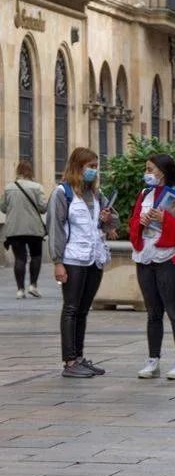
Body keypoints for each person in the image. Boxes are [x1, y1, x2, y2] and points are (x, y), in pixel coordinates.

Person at [46, 147, 116, 378]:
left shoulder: (96, 194)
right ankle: (69, 361)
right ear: (78, 167)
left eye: (96, 167)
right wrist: (58, 262)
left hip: (93, 258)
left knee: (83, 310)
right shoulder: (62, 193)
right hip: (72, 258)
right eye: (90, 167)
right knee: (71, 308)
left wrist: (109, 219)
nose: (94, 171)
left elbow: (111, 221)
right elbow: (55, 229)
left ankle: (79, 357)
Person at [129, 154, 175, 381]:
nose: (147, 173)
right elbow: (133, 224)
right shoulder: (145, 195)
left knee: (174, 310)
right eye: (146, 169)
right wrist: (141, 223)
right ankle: (153, 359)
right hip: (146, 257)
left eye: (150, 169)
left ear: (163, 171)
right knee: (153, 312)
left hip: (170, 259)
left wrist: (164, 218)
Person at [1, 160, 47, 299]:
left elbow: (3, 207)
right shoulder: (37, 187)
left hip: (15, 229)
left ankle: (20, 290)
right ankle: (33, 285)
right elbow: (43, 208)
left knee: (19, 258)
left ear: (18, 171)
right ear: (31, 171)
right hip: (33, 228)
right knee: (36, 256)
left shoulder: (9, 188)